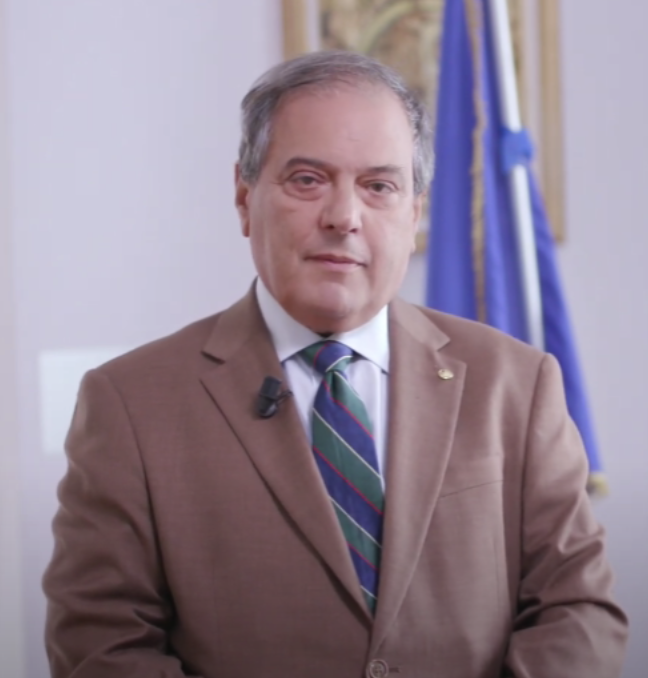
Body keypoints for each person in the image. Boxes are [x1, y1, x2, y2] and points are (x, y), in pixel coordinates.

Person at [43, 50, 628, 678]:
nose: (344, 217)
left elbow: (578, 609)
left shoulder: (516, 382)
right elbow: (101, 649)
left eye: (379, 186)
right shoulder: (131, 404)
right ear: (244, 197)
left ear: (414, 211)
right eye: (307, 180)